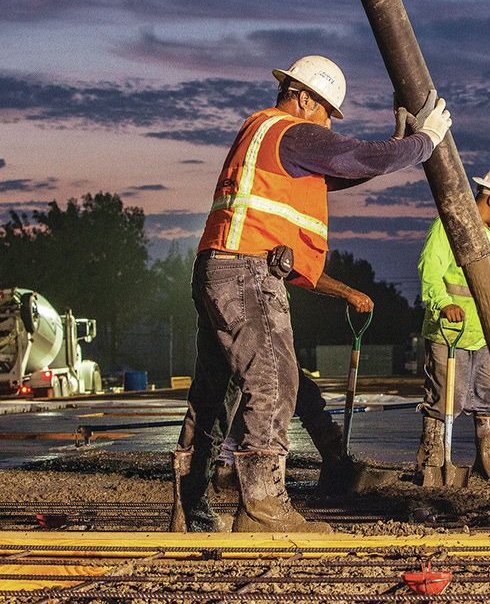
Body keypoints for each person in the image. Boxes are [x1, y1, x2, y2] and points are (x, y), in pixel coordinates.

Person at [172, 54, 452, 533]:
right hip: (247, 272)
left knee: (215, 395)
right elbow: (354, 156)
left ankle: (191, 512)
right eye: (326, 113)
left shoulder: (266, 135)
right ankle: (263, 509)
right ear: (304, 98)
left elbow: (346, 169)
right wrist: (424, 142)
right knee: (276, 379)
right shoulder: (289, 130)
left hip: (218, 268)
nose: (327, 126)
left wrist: (401, 143)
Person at [212, 275, 375, 498]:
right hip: (254, 317)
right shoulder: (261, 254)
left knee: (246, 387)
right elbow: (305, 271)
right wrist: (347, 292)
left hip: (243, 313)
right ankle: (253, 483)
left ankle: (227, 465)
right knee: (274, 390)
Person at [416, 165, 490, 485]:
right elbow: (430, 268)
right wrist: (442, 302)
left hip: (487, 332)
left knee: (489, 395)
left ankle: (487, 456)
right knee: (445, 396)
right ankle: (433, 458)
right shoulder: (450, 225)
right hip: (450, 331)